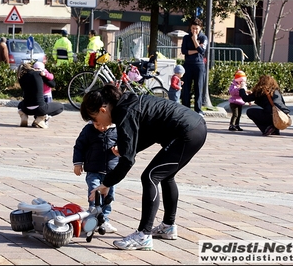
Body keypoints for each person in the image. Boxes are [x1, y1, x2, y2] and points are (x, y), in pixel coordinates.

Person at [80, 84, 207, 251]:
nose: (96, 124)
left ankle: (143, 235)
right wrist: (128, 149)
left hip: (187, 133)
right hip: (194, 128)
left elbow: (127, 161)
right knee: (165, 176)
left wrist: (107, 183)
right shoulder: (126, 105)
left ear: (103, 110)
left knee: (150, 177)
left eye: (94, 119)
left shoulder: (124, 113)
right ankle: (168, 227)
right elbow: (150, 134)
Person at [73, 121, 119, 233]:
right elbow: (79, 146)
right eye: (97, 124)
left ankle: (104, 220)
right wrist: (78, 163)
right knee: (94, 194)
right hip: (93, 170)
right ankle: (93, 218)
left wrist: (120, 150)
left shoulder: (118, 129)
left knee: (108, 197)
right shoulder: (88, 129)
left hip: (111, 172)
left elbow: (127, 145)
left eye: (104, 124)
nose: (101, 128)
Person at [16, 63, 63, 129]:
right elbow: (52, 84)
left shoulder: (21, 78)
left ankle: (24, 116)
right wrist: (44, 75)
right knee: (60, 107)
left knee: (20, 104)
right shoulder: (38, 74)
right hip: (40, 108)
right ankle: (40, 119)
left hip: (26, 108)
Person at [181, 18, 207, 117]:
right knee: (186, 87)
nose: (194, 31)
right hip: (188, 64)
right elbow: (184, 51)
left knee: (198, 87)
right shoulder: (186, 37)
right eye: (192, 28)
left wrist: (195, 40)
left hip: (199, 65)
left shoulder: (204, 38)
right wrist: (196, 49)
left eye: (196, 28)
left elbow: (202, 51)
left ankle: (198, 110)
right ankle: (185, 108)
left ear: (200, 28)